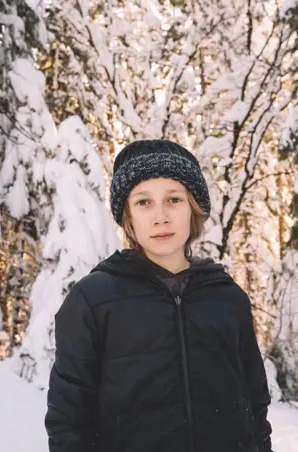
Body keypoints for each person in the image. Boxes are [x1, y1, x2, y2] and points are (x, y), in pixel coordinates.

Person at [45, 139, 273, 452]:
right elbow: (68, 419)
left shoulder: (227, 298)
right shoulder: (92, 300)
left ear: (193, 208)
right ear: (128, 215)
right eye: (144, 202)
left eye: (174, 199)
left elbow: (255, 406)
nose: (160, 217)